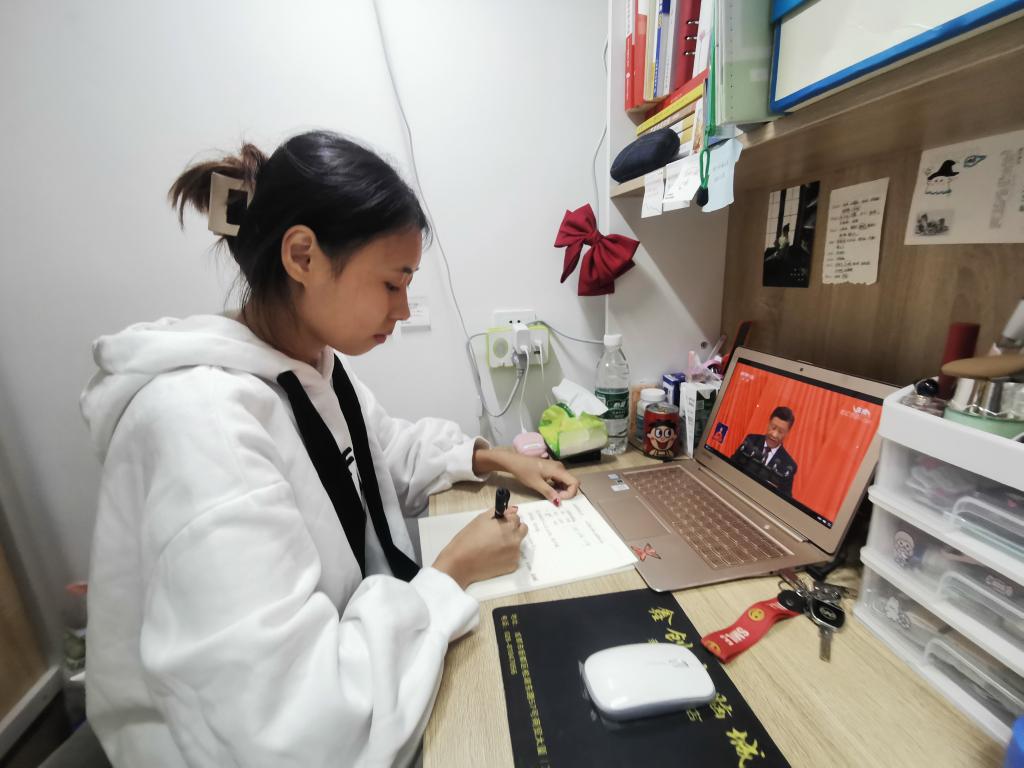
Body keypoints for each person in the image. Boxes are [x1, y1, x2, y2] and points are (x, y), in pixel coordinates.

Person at [80, 130, 580, 767]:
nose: (403, 309)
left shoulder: (309, 367)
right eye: (392, 283)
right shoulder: (204, 425)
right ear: (303, 256)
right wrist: (452, 570)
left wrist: (497, 458)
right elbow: (293, 731)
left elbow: (377, 453)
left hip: (357, 664)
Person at [730, 406, 798, 496]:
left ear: (787, 433)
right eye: (773, 427)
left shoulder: (788, 466)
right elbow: (730, 466)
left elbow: (784, 498)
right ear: (768, 423)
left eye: (780, 432)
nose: (774, 435)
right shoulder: (751, 441)